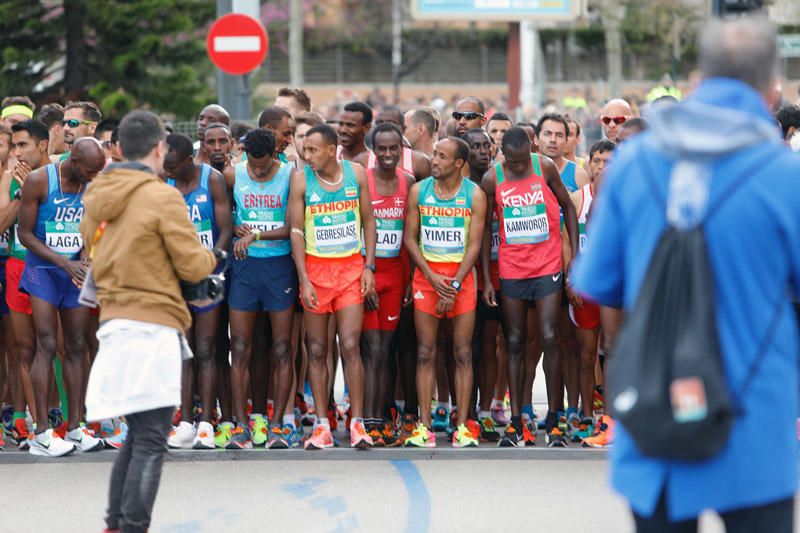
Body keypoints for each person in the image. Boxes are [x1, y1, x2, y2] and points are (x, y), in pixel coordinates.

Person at [573, 15, 798, 531]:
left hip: (657, 413)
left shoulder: (632, 166)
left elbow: (599, 282)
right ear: (772, 92)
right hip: (754, 421)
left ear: (697, 83)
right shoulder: (787, 176)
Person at [82, 109, 220, 532]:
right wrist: (212, 257)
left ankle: (115, 524)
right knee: (151, 440)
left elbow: (96, 247)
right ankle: (132, 527)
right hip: (154, 323)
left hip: (115, 321)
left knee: (138, 433)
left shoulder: (98, 195)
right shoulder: (161, 196)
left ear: (118, 148)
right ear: (160, 148)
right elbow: (194, 264)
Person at [481, 127, 578, 448]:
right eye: (514, 163)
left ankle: (555, 418)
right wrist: (485, 278)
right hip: (512, 270)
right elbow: (482, 232)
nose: (520, 167)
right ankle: (517, 421)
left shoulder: (544, 167)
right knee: (514, 341)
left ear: (531, 152)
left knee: (550, 337)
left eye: (524, 161)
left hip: (547, 266)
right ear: (504, 156)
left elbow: (569, 208)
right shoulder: (493, 178)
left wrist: (573, 259)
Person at [288, 123, 377, 450]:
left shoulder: (356, 173)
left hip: (351, 270)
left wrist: (369, 266)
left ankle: (358, 423)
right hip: (316, 273)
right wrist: (304, 279)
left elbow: (369, 219)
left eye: (312, 150)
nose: (306, 155)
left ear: (330, 148)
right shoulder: (300, 180)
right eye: (304, 149)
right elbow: (296, 231)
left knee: (351, 345)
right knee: (317, 349)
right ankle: (322, 424)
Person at [18, 133, 106, 455]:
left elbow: (93, 227)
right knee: (47, 343)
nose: (93, 178)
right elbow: (25, 234)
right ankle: (42, 432)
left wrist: (84, 256)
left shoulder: (92, 186)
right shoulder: (39, 181)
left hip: (75, 271)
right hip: (43, 270)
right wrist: (62, 263)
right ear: (74, 160)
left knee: (77, 344)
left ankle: (75, 427)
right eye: (89, 172)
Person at [404, 137, 487, 448]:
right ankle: (424, 426)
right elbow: (410, 239)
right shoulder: (419, 190)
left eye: (442, 156)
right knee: (426, 351)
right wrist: (430, 276)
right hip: (428, 277)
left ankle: (463, 426)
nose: (434, 160)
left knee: (462, 352)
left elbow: (475, 246)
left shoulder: (474, 195)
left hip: (461, 278)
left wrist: (453, 285)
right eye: (434, 154)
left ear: (458, 163)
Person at [225, 128, 298, 449]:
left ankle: (278, 424)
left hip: (278, 267)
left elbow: (292, 227)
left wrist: (255, 235)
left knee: (282, 348)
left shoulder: (290, 175)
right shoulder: (233, 173)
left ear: (275, 157)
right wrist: (233, 224)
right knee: (240, 346)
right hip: (244, 269)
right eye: (253, 166)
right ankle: (241, 425)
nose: (257, 171)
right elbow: (222, 215)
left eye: (263, 167)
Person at [162, 133, 232, 450]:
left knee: (206, 348)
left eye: (174, 166)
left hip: (208, 274)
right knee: (184, 351)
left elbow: (226, 229)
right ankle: (186, 421)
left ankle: (206, 422)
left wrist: (210, 261)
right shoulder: (166, 185)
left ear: (189, 160)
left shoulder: (212, 179)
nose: (170, 172)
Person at [360, 123, 414, 446]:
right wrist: (363, 275)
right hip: (368, 275)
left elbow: (409, 236)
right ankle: (367, 419)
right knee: (371, 350)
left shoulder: (408, 182)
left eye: (395, 148)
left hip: (395, 276)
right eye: (383, 148)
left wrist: (408, 281)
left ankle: (379, 417)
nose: (389, 154)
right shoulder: (362, 181)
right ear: (373, 150)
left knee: (386, 350)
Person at [563, 140, 615, 443]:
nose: (602, 167)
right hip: (585, 287)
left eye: (609, 161)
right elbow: (567, 240)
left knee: (611, 354)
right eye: (597, 161)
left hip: (610, 288)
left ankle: (609, 419)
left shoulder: (624, 197)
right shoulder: (578, 197)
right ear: (589, 165)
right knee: (586, 355)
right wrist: (570, 278)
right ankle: (585, 415)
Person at [5, 119, 51, 450]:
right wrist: (21, 194)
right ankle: (39, 428)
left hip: (55, 268)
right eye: (14, 146)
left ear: (43, 145)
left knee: (60, 345)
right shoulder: (11, 179)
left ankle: (66, 420)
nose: (18, 152)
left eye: (24, 145)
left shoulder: (63, 172)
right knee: (25, 348)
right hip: (19, 265)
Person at [463, 128, 504, 442]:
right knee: (465, 348)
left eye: (485, 146)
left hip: (496, 275)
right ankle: (463, 412)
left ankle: (487, 412)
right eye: (474, 146)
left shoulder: (500, 181)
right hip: (463, 277)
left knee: (489, 346)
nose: (481, 151)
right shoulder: (457, 185)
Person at [536, 113, 589, 193]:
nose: (553, 139)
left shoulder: (579, 176)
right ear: (536, 139)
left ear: (566, 141)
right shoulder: (523, 172)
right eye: (547, 134)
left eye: (559, 135)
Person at [337, 101, 373, 165]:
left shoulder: (375, 161)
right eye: (341, 124)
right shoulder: (330, 156)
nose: (343, 130)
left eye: (350, 125)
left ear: (367, 127)